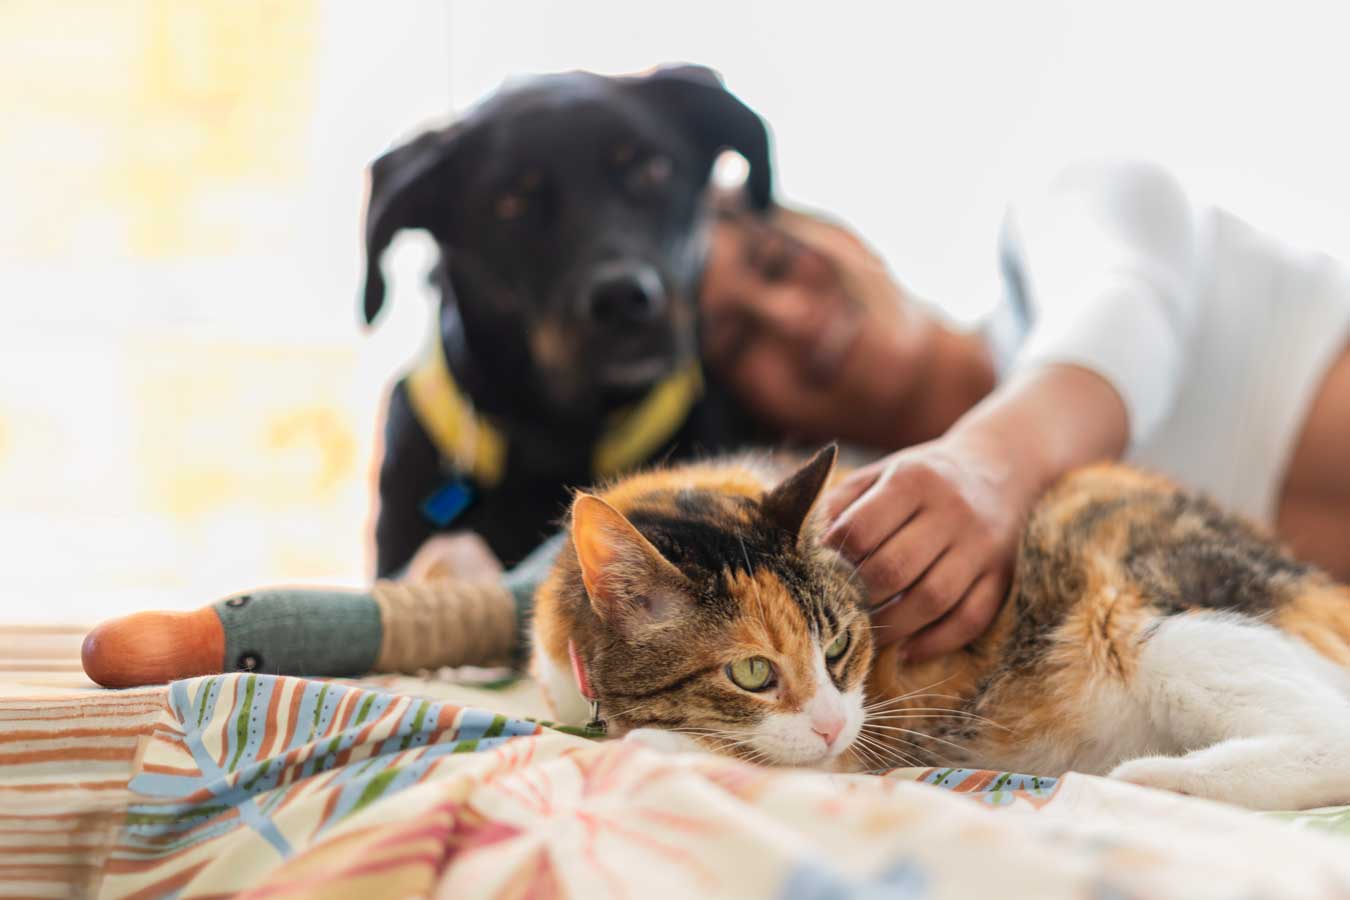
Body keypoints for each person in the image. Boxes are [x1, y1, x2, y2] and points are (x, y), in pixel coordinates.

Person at [700, 159, 1350, 663]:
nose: (791, 317)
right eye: (738, 340)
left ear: (840, 232)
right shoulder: (882, 578)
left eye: (776, 262)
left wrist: (987, 468)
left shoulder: (1065, 213)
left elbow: (1125, 303)